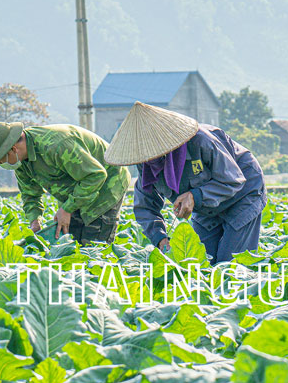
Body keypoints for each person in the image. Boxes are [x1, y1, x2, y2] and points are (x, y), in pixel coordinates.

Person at [104, 101, 267, 264]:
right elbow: (145, 206)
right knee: (199, 263)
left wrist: (195, 195)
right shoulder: (146, 163)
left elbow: (232, 179)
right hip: (207, 208)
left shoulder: (200, 141)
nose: (148, 157)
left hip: (243, 193)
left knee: (231, 264)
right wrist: (160, 237)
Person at [0, 121, 130, 244]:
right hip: (75, 190)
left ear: (13, 149)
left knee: (94, 245)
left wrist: (67, 209)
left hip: (107, 183)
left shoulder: (56, 145)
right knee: (70, 244)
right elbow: (30, 194)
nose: (1, 165)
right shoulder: (20, 162)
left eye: (1, 160)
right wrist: (34, 220)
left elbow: (95, 176)